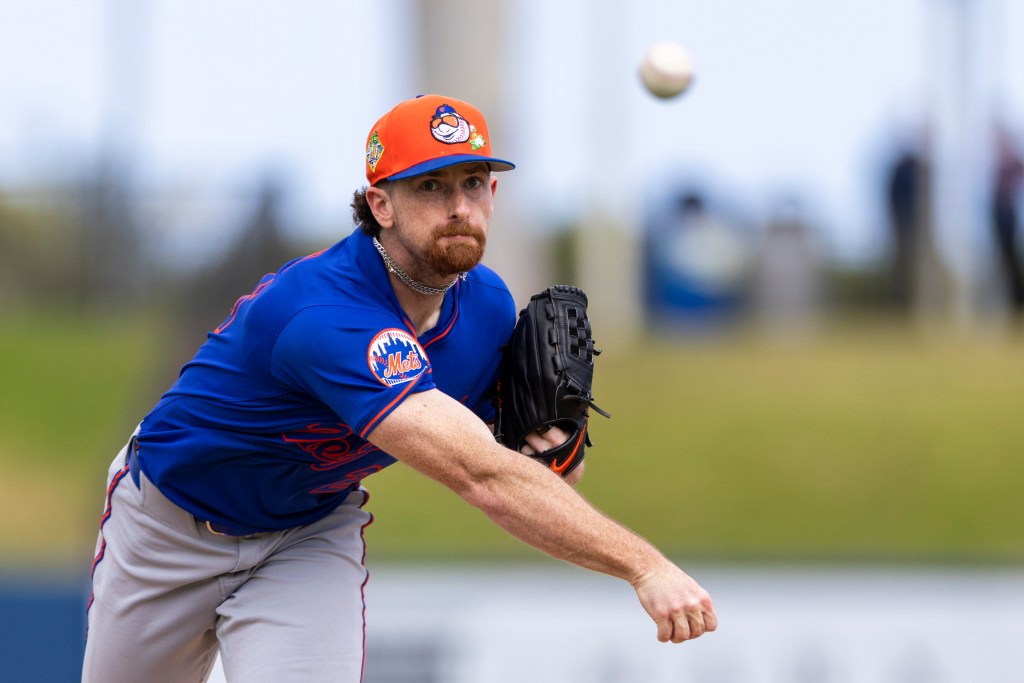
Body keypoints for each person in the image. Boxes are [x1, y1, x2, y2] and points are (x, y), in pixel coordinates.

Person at [82, 94, 717, 683]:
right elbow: (483, 478)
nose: (459, 206)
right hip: (169, 524)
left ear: (494, 192)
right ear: (381, 204)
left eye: (473, 183)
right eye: (430, 186)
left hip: (306, 533)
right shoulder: (326, 316)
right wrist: (644, 565)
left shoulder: (489, 307)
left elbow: (512, 463)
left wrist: (551, 453)